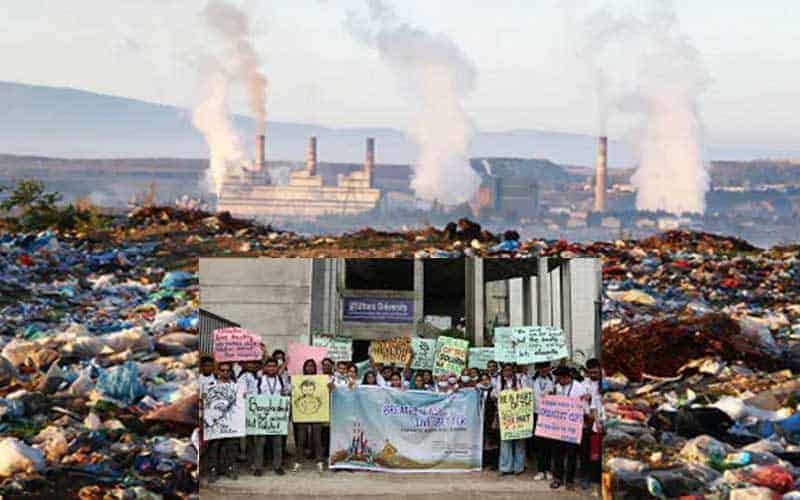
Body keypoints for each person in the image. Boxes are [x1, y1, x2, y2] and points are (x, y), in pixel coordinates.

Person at [250, 358, 289, 476]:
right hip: (262, 416)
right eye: (269, 366)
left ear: (277, 368)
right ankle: (258, 467)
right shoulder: (259, 380)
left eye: (274, 366)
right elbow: (253, 395)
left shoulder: (281, 380)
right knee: (260, 442)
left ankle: (277, 466)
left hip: (276, 416)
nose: (271, 368)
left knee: (277, 441)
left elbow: (286, 392)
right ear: (265, 368)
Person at [550, 365, 586, 491]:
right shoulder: (557, 386)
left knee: (572, 454)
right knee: (557, 453)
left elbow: (583, 406)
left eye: (559, 377)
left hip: (572, 427)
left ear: (566, 377)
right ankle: (557, 478)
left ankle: (570, 480)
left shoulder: (579, 388)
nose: (558, 380)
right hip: (559, 426)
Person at [204, 362, 240, 481]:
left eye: (227, 371)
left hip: (231, 423)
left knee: (231, 446)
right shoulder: (210, 386)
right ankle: (213, 470)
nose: (225, 373)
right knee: (214, 447)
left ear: (230, 372)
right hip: (214, 424)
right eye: (222, 370)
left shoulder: (237, 387)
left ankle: (229, 468)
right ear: (218, 371)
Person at [294, 359, 324, 472]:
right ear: (304, 368)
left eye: (312, 366)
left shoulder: (320, 380)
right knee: (301, 438)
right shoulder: (298, 380)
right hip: (302, 414)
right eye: (308, 366)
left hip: (317, 414)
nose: (310, 368)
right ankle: (298, 461)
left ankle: (319, 461)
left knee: (317, 438)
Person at [497, 363, 528, 476]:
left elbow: (527, 393)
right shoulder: (500, 380)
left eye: (510, 370)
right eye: (506, 370)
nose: (508, 372)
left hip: (519, 415)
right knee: (505, 441)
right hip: (505, 415)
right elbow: (494, 394)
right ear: (503, 371)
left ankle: (518, 467)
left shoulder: (521, 379)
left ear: (513, 371)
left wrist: (518, 391)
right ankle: (506, 468)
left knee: (519, 441)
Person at [580, 358, 603, 490]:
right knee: (586, 452)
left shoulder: (604, 383)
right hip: (587, 422)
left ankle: (597, 476)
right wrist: (587, 414)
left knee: (599, 452)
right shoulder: (583, 384)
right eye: (591, 373)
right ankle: (585, 477)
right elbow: (580, 402)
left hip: (603, 422)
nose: (593, 375)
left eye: (596, 372)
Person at [531, 361, 555, 481]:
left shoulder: (554, 379)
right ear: (537, 369)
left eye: (546, 367)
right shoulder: (532, 380)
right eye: (541, 368)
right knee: (539, 444)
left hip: (551, 416)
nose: (544, 370)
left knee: (549, 444)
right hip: (536, 414)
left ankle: (549, 470)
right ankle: (540, 470)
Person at [477, 373, 499, 470]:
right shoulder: (477, 391)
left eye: (486, 379)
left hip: (491, 419)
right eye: (483, 379)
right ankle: (484, 462)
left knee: (492, 441)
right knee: (482, 441)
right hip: (480, 419)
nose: (485, 381)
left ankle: (494, 463)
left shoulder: (494, 390)